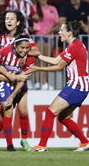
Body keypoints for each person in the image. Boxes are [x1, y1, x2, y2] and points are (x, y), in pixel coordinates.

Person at [0, 10, 40, 152]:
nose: (8, 21)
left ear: (17, 22)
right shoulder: (0, 37)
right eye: (6, 18)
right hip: (3, 78)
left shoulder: (24, 38)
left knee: (18, 111)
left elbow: (36, 51)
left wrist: (23, 52)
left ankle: (22, 141)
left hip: (18, 78)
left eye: (11, 18)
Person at [27, 21, 89, 152]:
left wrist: (37, 68)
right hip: (81, 87)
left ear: (69, 33)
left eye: (62, 30)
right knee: (63, 118)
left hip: (76, 86)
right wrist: (36, 55)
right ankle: (85, 142)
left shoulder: (74, 46)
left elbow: (58, 67)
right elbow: (56, 60)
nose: (59, 32)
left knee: (50, 112)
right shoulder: (75, 45)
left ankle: (42, 146)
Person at [0, 33, 34, 152]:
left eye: (27, 48)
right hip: (3, 81)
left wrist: (13, 95)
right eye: (22, 48)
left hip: (17, 84)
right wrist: (8, 75)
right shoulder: (5, 51)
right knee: (8, 109)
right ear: (15, 45)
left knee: (4, 118)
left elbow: (22, 79)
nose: (25, 51)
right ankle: (10, 146)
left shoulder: (29, 58)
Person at [33, 0, 60, 90]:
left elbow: (57, 24)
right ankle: (36, 82)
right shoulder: (35, 8)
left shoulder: (53, 9)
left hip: (50, 37)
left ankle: (44, 83)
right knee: (37, 59)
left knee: (46, 60)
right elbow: (30, 20)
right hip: (38, 36)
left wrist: (51, 30)